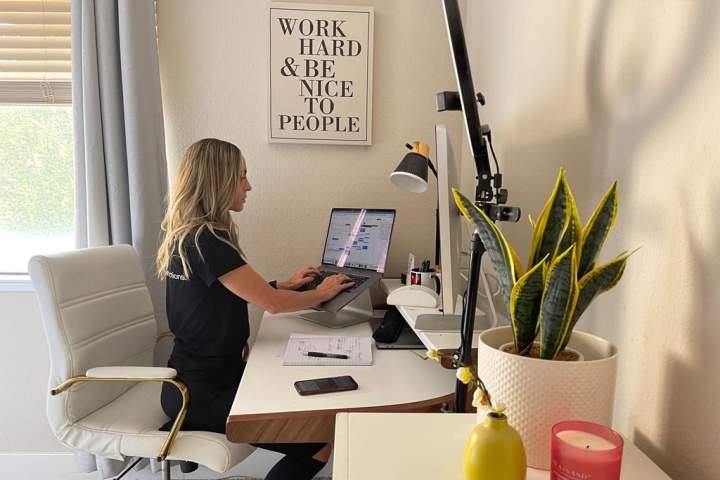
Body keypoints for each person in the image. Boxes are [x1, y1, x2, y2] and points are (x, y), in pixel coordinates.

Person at [155, 138, 354, 480]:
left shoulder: (190, 235)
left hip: (196, 381)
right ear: (218, 181)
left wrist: (284, 284)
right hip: (202, 394)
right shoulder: (208, 241)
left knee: (298, 392)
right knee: (318, 441)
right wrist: (321, 293)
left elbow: (226, 293)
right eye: (241, 176)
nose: (248, 186)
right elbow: (271, 305)